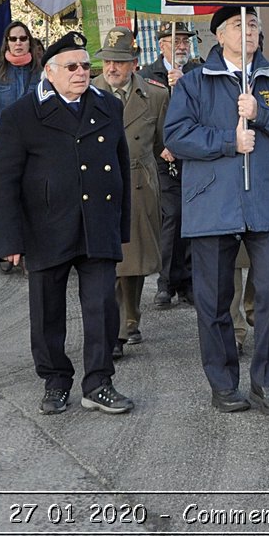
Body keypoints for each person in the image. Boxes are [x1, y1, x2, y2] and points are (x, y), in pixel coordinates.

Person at [164, 6, 269, 416]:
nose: (248, 30)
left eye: (253, 24)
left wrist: (262, 114)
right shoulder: (194, 84)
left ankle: (266, 382)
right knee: (213, 301)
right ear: (218, 35)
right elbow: (177, 137)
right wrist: (229, 141)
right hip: (213, 204)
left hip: (266, 204)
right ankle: (223, 383)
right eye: (238, 25)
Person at [0, 31, 135, 417]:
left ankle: (99, 383)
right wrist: (9, 239)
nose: (81, 72)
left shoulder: (107, 106)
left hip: (97, 223)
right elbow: (4, 182)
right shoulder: (20, 115)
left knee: (103, 306)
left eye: (87, 66)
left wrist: (122, 226)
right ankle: (55, 381)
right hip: (46, 226)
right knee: (47, 311)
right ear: (50, 72)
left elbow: (119, 167)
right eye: (71, 66)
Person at [96, 26, 169, 360]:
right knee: (105, 260)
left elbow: (160, 144)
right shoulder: (89, 91)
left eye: (120, 62)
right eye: (108, 60)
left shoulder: (155, 95)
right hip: (97, 182)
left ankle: (129, 320)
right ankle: (111, 329)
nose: (112, 68)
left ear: (134, 64)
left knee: (133, 262)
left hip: (138, 183)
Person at [150, 22, 196, 310]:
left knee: (191, 219)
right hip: (163, 161)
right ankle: (166, 281)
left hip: (192, 158)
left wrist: (186, 83)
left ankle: (188, 282)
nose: (181, 46)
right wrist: (162, 146)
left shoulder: (197, 73)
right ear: (161, 44)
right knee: (173, 217)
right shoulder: (148, 75)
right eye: (175, 40)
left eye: (185, 41)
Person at [0, 22, 42, 151]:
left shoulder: (41, 72)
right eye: (13, 39)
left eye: (23, 38)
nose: (18, 42)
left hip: (36, 142)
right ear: (7, 43)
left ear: (29, 42)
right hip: (5, 141)